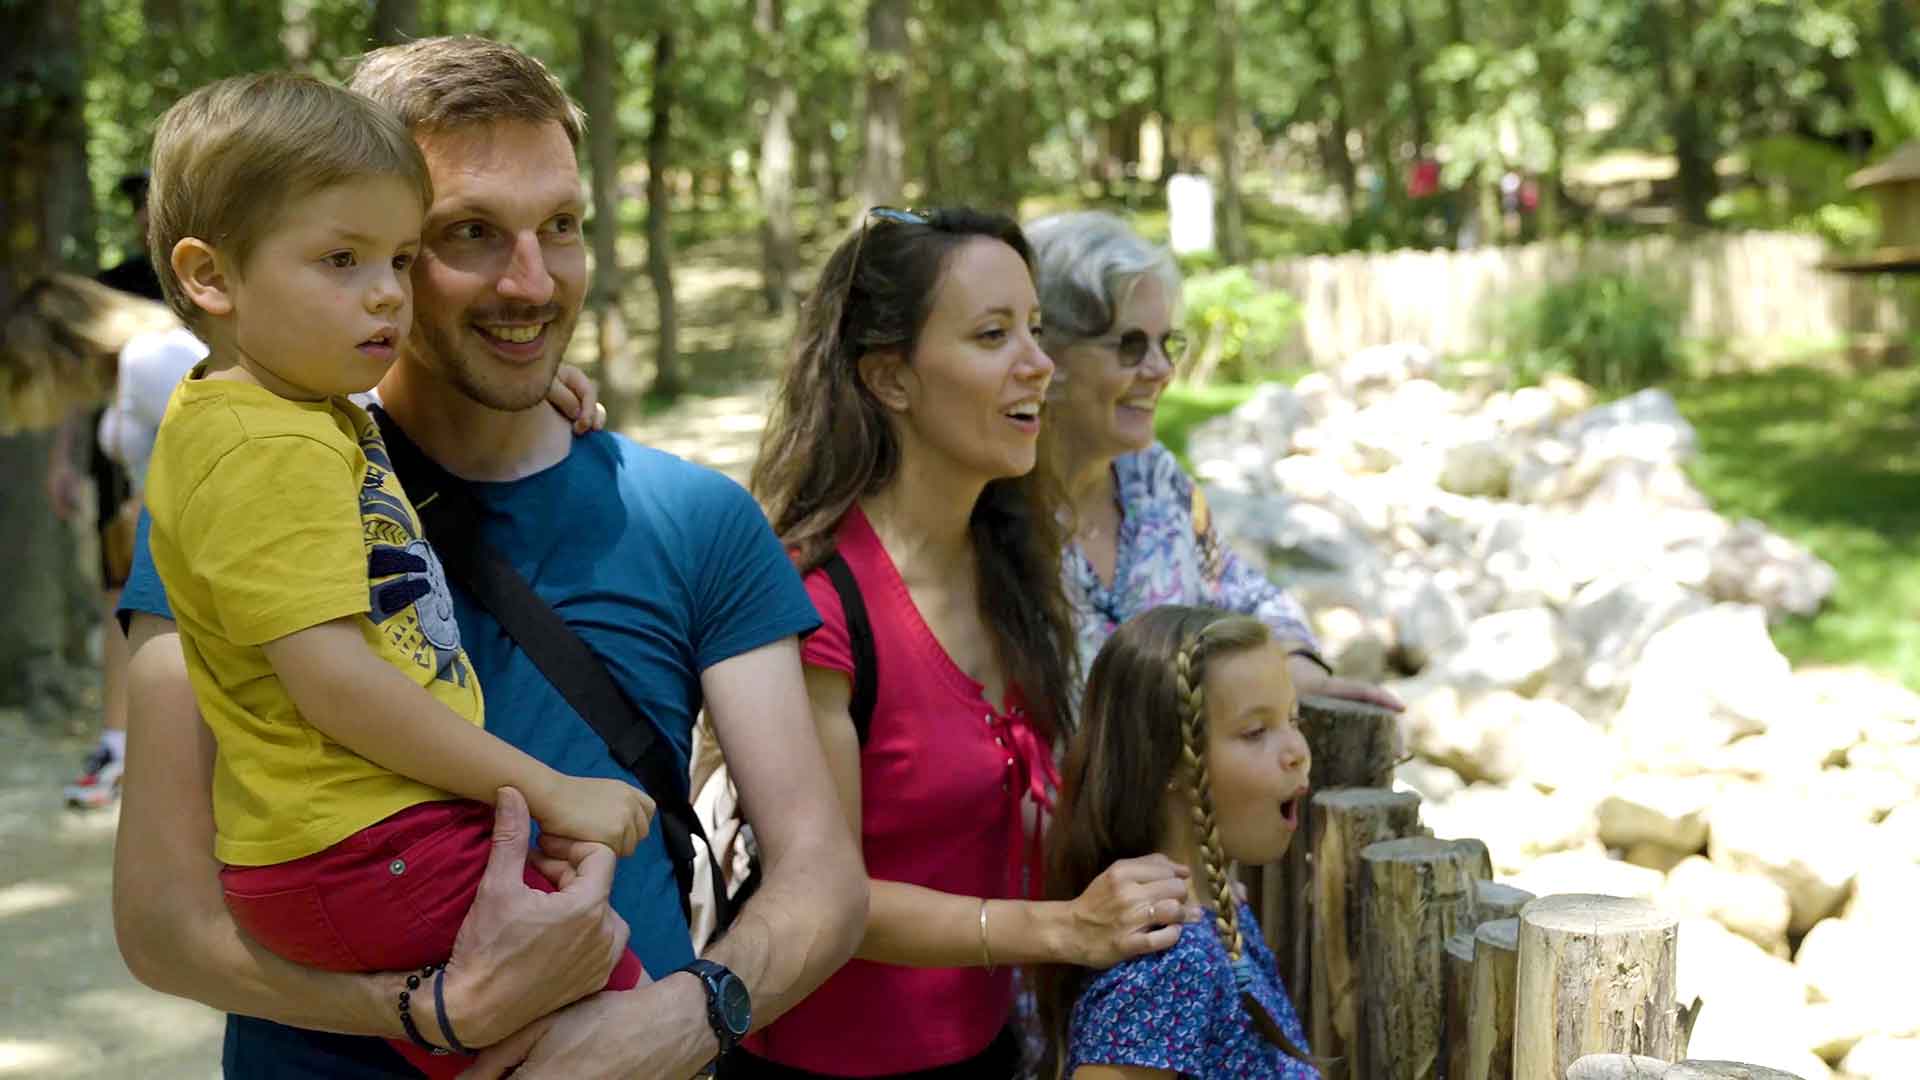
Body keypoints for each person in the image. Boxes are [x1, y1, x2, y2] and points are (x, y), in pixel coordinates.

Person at [113, 36, 865, 1080]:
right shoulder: (240, 501)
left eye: (561, 226)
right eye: (467, 234)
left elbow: (824, 878)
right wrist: (432, 1012)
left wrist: (670, 1028)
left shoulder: (693, 518)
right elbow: (160, 923)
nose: (532, 280)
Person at [139, 72, 652, 1077]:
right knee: (612, 1026)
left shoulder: (270, 415)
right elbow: (333, 682)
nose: (386, 292)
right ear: (211, 276)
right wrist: (550, 789)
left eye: (403, 258)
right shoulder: (267, 453)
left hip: (353, 847)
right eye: (342, 259)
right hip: (364, 848)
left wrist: (524, 382)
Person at [740, 207, 1198, 1078]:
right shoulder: (817, 601)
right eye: (994, 335)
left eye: (1035, 328)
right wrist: (1066, 928)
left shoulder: (1012, 561)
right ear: (892, 379)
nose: (1040, 362)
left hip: (989, 1050)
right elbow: (830, 898)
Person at [1024, 211, 1399, 711]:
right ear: (1050, 355)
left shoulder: (1153, 479)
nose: (1160, 370)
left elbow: (1243, 594)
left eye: (1167, 344)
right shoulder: (994, 508)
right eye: (1130, 346)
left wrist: (1297, 670)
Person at [1039, 605, 1317, 1080]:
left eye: (1294, 721)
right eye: (1256, 732)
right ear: (1168, 762)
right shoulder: (1167, 963)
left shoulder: (1218, 915)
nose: (1296, 753)